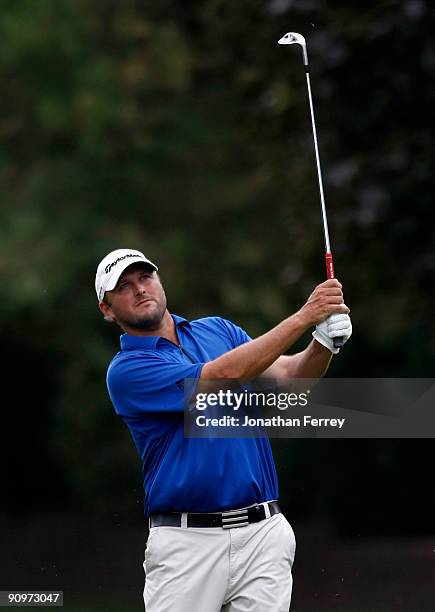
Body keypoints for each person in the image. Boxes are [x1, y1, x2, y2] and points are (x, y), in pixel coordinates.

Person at [95, 248, 352, 612]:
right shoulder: (127, 371)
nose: (139, 289)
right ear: (107, 309)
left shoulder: (218, 330)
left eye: (145, 277)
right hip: (187, 545)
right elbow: (222, 374)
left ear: (159, 280)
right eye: (123, 286)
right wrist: (304, 316)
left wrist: (323, 342)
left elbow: (292, 378)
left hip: (263, 533)